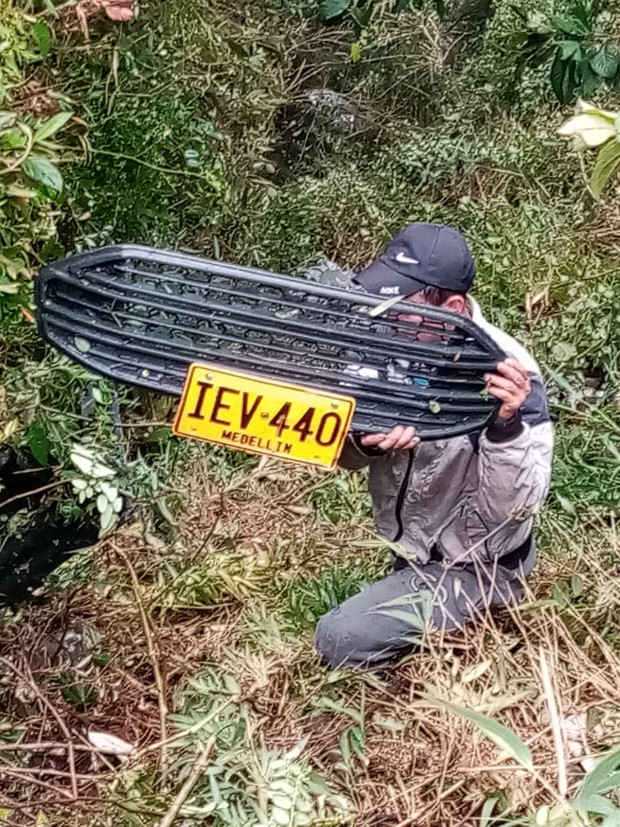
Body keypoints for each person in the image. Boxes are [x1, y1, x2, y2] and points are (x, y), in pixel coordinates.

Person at [314, 223, 554, 669]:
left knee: (339, 638)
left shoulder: (507, 375)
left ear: (452, 308)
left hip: (480, 567)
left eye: (402, 306)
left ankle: (481, 622)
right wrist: (366, 445)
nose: (388, 317)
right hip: (413, 552)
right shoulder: (388, 351)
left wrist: (505, 427)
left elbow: (515, 511)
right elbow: (341, 456)